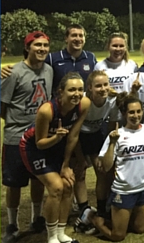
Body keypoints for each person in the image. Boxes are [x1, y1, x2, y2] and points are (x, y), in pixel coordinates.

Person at [20, 72, 90, 243]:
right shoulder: (46, 110)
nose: (77, 94)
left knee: (68, 185)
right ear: (61, 92)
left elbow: (73, 136)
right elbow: (39, 143)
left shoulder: (84, 104)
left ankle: (60, 233)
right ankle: (51, 237)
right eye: (72, 89)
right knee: (56, 187)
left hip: (57, 147)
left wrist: (66, 165)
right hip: (34, 148)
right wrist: (56, 138)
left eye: (80, 89)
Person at [2, 31, 54, 241]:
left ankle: (36, 218)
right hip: (16, 136)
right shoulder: (14, 72)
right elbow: (2, 104)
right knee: (14, 183)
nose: (41, 49)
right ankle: (12, 225)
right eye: (37, 45)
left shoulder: (49, 70)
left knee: (38, 179)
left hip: (39, 136)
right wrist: (16, 123)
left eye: (45, 45)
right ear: (27, 48)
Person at [89, 96, 144, 241]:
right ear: (124, 114)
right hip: (124, 190)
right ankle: (95, 220)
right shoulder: (117, 135)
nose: (135, 116)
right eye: (131, 112)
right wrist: (112, 143)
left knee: (141, 229)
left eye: (138, 111)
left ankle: (122, 218)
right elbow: (105, 167)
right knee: (118, 236)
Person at [72, 71, 120, 235]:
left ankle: (101, 209)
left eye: (105, 84)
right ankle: (83, 209)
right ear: (89, 88)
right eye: (98, 86)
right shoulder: (83, 102)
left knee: (102, 171)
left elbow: (111, 126)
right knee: (80, 172)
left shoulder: (112, 100)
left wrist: (106, 150)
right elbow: (74, 133)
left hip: (95, 135)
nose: (103, 88)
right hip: (77, 137)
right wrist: (79, 157)